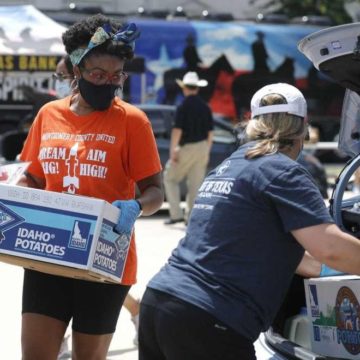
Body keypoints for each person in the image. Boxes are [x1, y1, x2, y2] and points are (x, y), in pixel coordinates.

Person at [138, 83, 360, 360]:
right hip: (208, 320)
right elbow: (330, 248)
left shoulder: (232, 164)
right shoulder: (282, 170)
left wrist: (333, 272)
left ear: (253, 122)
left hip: (159, 304)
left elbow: (284, 254)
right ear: (303, 126)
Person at [18, 14, 163, 360]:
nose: (108, 83)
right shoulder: (48, 115)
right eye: (98, 75)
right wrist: (19, 193)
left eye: (116, 76)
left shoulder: (132, 121)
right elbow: (33, 176)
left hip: (105, 262)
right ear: (77, 71)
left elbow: (155, 189)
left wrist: (137, 206)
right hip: (49, 256)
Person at [163, 71, 213, 224]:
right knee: (195, 183)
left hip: (186, 147)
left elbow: (177, 130)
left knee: (169, 178)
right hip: (203, 147)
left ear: (184, 88)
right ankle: (190, 217)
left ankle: (176, 214)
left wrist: (173, 151)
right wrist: (207, 150)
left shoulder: (182, 106)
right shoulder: (205, 107)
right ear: (197, 88)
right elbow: (210, 133)